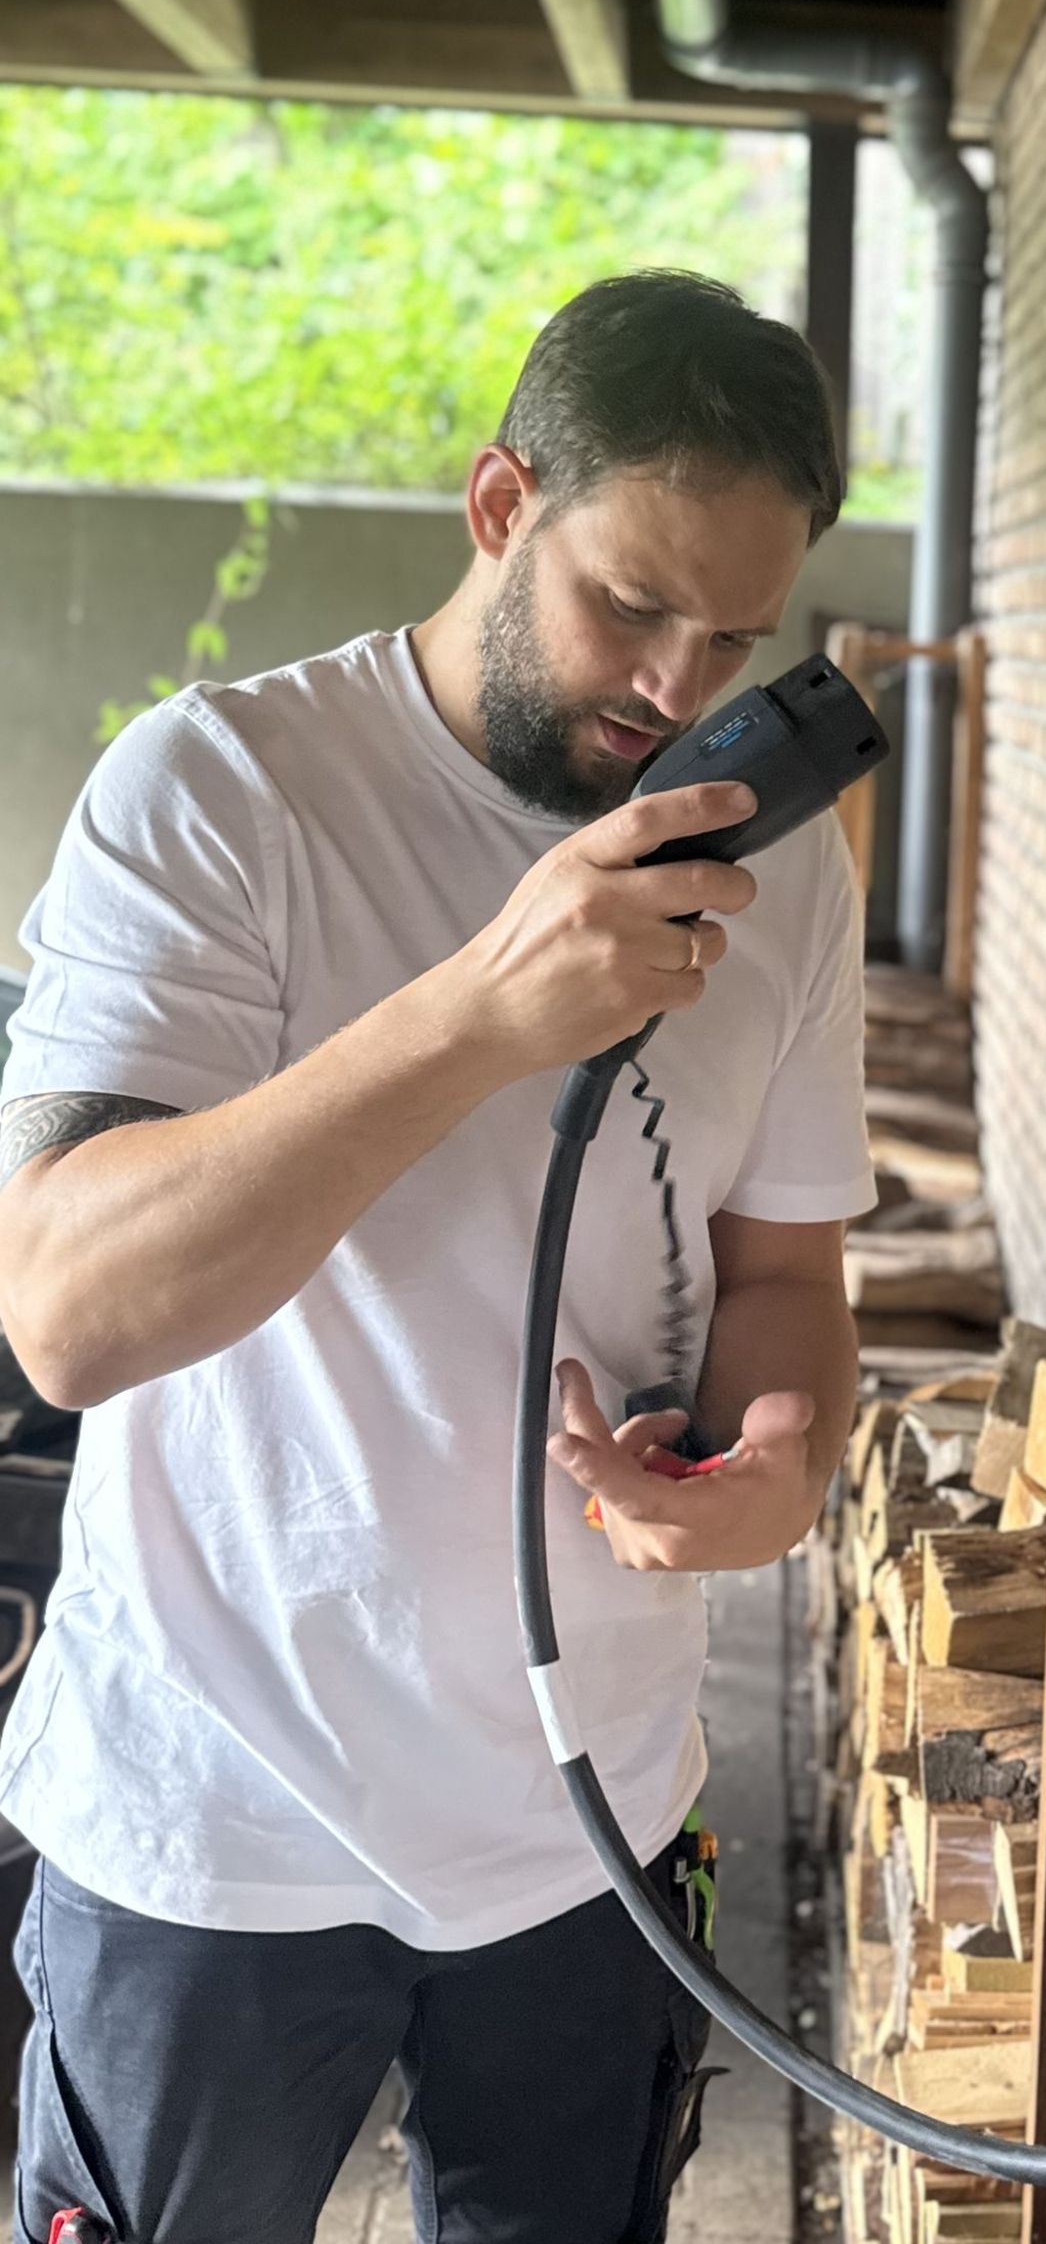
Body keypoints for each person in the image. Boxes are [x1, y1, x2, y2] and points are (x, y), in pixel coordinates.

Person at [0, 272, 875, 2244]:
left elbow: (784, 1269)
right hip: (210, 1817)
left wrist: (777, 1466)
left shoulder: (779, 853)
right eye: (630, 603)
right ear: (499, 502)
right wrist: (482, 1010)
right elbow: (68, 1306)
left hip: (589, 1822)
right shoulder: (219, 792)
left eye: (736, 630)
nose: (677, 681)